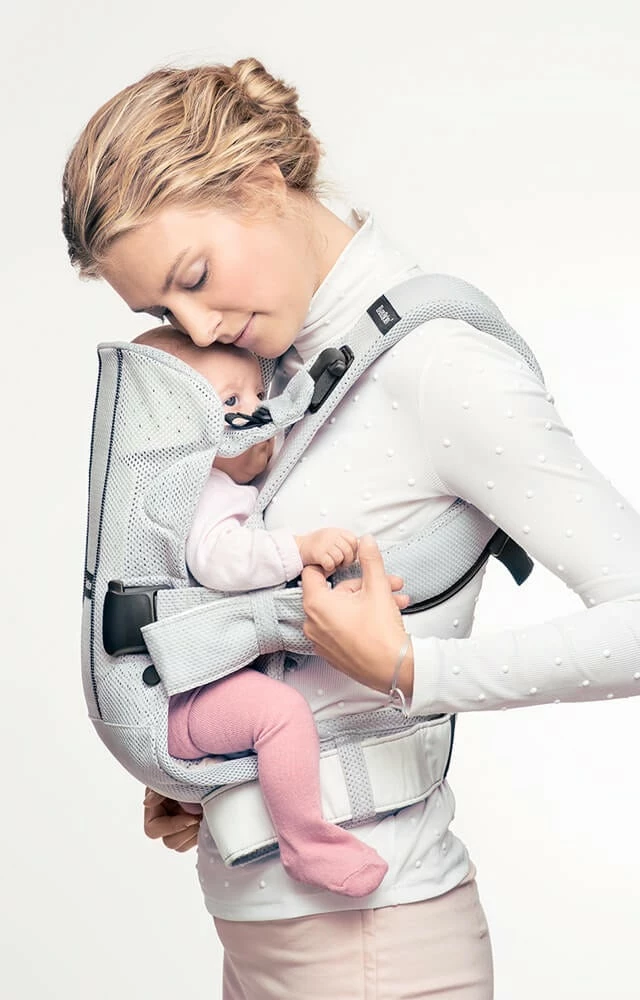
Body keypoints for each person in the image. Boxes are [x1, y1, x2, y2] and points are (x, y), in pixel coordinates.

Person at [62, 56, 640, 1000]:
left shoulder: (438, 367)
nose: (195, 330)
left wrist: (413, 669)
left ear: (260, 183)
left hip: (375, 942)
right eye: (164, 311)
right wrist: (213, 772)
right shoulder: (275, 374)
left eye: (195, 276)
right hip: (266, 936)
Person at [133, 325, 389, 898]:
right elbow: (220, 561)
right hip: (186, 699)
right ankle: (307, 844)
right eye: (231, 401)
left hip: (194, 689)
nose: (256, 413)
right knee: (279, 714)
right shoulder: (202, 489)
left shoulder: (220, 485)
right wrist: (299, 549)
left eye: (256, 393)